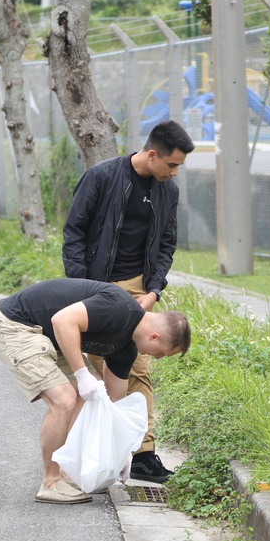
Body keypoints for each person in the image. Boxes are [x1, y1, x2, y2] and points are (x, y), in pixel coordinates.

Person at [62, 119, 196, 484]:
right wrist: (82, 286)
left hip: (138, 289)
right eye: (171, 164)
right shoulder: (102, 177)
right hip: (95, 285)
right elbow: (74, 231)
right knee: (98, 371)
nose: (174, 172)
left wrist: (153, 291)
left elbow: (166, 244)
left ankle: (141, 454)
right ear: (152, 154)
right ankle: (94, 455)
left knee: (137, 368)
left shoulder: (169, 192)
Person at [0, 278, 191, 505]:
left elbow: (112, 403)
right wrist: (81, 375)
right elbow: (62, 320)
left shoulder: (126, 348)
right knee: (64, 399)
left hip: (50, 336)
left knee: (91, 391)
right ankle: (51, 482)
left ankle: (65, 473)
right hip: (16, 325)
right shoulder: (118, 308)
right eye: (161, 353)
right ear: (155, 337)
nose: (157, 358)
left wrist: (119, 454)